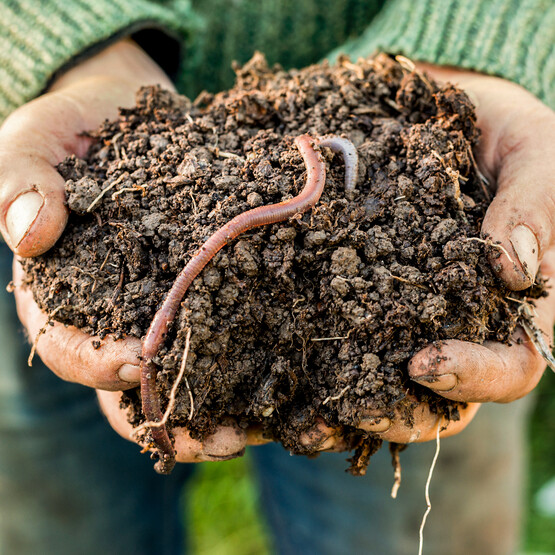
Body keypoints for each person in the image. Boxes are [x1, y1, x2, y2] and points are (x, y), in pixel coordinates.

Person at [0, 1, 554, 553]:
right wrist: (70, 49)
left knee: (405, 496)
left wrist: (483, 49)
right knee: (64, 509)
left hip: (406, 113)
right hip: (70, 139)